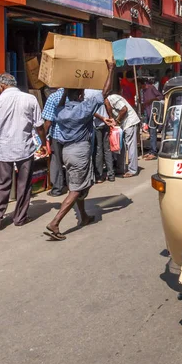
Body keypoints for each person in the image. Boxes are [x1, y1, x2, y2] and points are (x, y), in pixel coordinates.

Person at [44, 61, 115, 241]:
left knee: (82, 184)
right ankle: (55, 222)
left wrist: (67, 88)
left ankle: (83, 216)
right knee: (76, 188)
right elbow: (105, 92)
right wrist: (111, 70)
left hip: (67, 152)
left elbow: (61, 103)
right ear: (81, 94)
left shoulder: (60, 111)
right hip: (80, 152)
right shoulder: (83, 109)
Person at [0, 73, 47, 229]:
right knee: (24, 184)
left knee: (0, 183)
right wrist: (44, 143)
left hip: (3, 148)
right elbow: (39, 126)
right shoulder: (30, 99)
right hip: (25, 147)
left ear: (2, 86)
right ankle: (20, 217)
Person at [104, 92, 140, 178]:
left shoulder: (112, 98)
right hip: (123, 125)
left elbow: (124, 109)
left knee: (131, 146)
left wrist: (117, 121)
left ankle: (133, 170)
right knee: (121, 146)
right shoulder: (107, 102)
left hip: (130, 122)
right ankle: (121, 168)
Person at [85, 89, 115, 183]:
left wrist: (103, 118)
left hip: (97, 124)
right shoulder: (99, 91)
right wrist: (110, 118)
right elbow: (108, 104)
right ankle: (111, 174)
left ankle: (100, 175)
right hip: (105, 123)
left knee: (99, 150)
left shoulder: (85, 93)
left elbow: (90, 111)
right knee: (107, 149)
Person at [42, 87, 67, 196]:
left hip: (57, 134)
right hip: (74, 134)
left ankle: (57, 188)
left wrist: (43, 137)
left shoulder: (53, 97)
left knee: (57, 161)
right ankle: (74, 187)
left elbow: (48, 121)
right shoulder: (76, 95)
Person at [139, 78, 163, 161]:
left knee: (153, 132)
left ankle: (153, 152)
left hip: (153, 113)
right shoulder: (142, 91)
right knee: (150, 132)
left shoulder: (151, 88)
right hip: (147, 113)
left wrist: (151, 100)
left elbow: (160, 96)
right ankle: (151, 150)